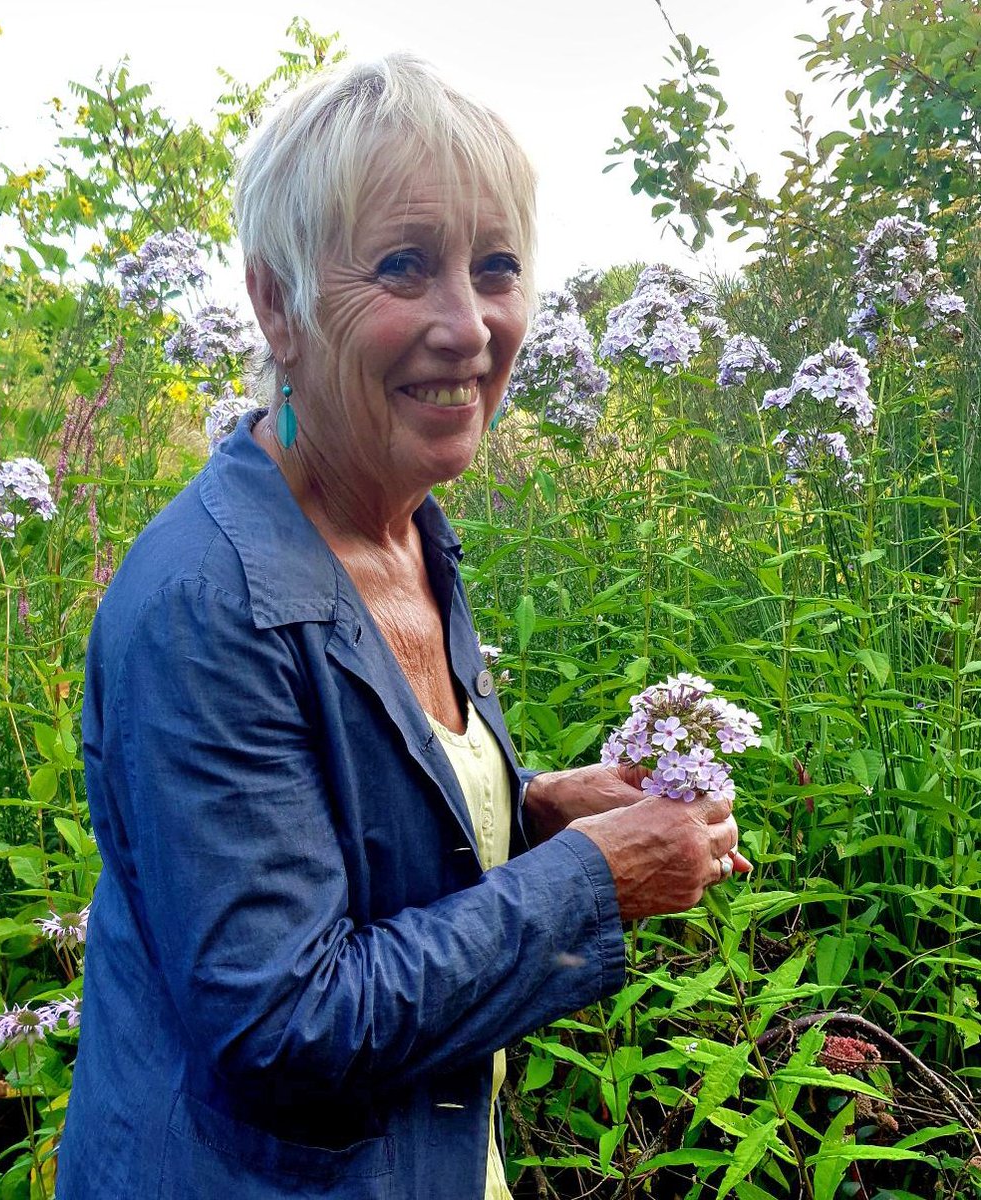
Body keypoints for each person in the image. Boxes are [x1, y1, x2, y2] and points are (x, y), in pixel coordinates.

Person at [56, 53, 748, 1200]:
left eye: (496, 268)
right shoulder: (208, 605)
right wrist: (588, 881)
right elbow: (287, 1027)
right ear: (277, 304)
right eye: (402, 268)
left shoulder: (409, 533)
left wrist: (528, 819)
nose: (469, 327)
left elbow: (360, 853)